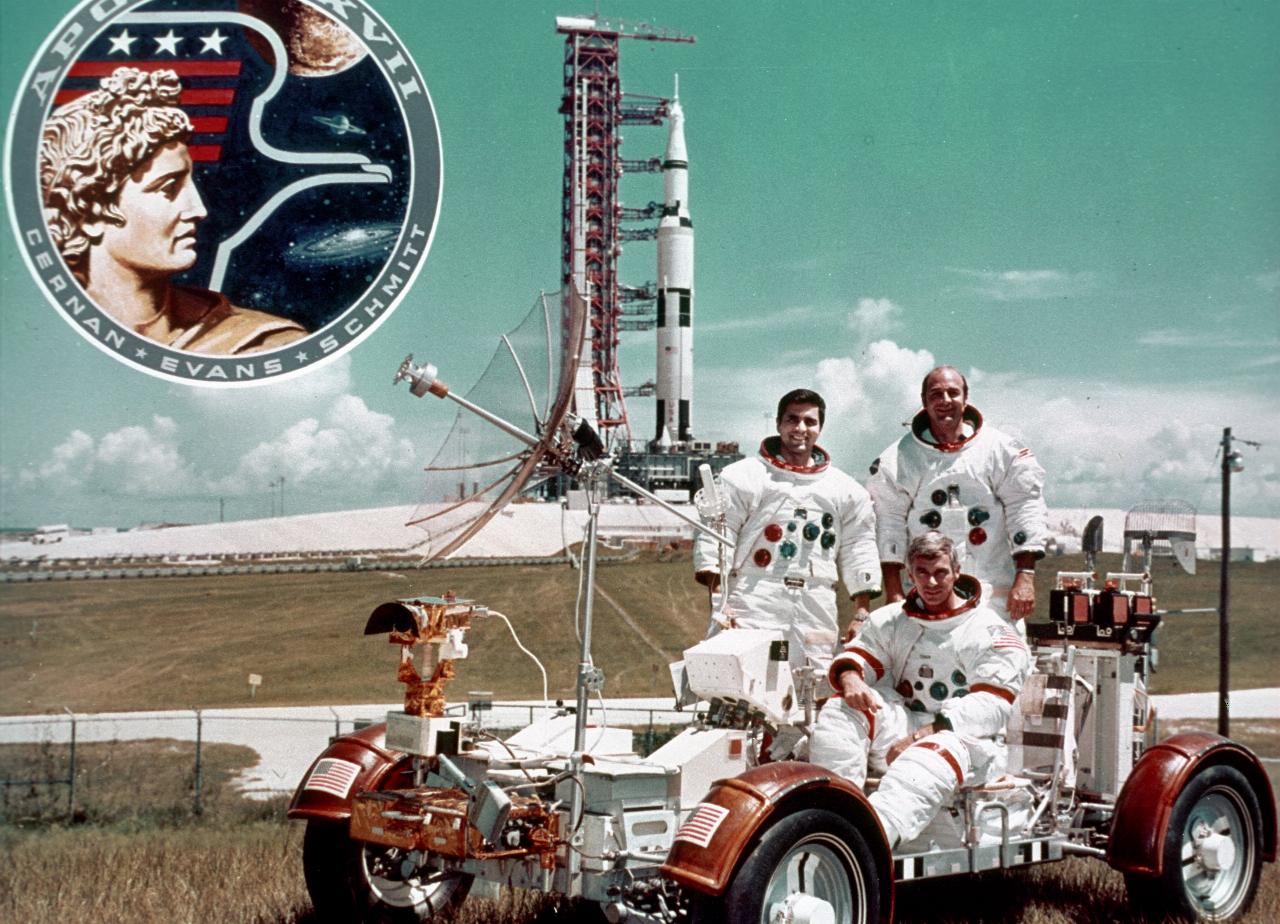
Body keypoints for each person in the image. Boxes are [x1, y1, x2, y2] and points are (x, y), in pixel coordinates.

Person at [40, 67, 307, 355]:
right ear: (90, 211)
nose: (199, 210)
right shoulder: (39, 342)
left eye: (189, 183)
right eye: (168, 188)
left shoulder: (265, 345)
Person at [809, 532, 1030, 848]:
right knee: (841, 710)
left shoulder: (989, 630)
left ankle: (867, 843)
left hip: (966, 739)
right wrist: (851, 679)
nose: (932, 582)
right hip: (908, 724)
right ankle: (831, 818)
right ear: (909, 575)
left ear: (956, 571)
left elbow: (992, 705)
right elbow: (861, 655)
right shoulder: (893, 621)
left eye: (941, 572)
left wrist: (919, 736)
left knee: (924, 758)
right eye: (922, 573)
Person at [693, 389, 881, 666]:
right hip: (755, 596)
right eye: (792, 420)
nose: (800, 428)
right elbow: (716, 540)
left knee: (813, 681)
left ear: (820, 427)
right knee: (752, 678)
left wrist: (861, 613)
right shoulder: (743, 477)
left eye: (810, 422)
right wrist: (721, 606)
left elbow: (859, 547)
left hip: (815, 600)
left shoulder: (846, 490)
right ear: (779, 424)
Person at [867, 366, 1047, 625]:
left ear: (965, 398)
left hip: (991, 591)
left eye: (953, 393)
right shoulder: (898, 459)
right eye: (936, 394)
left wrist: (1026, 576)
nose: (945, 401)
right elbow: (889, 524)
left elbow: (1024, 508)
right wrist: (894, 592)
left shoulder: (1000, 450)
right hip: (926, 595)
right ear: (924, 401)